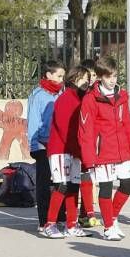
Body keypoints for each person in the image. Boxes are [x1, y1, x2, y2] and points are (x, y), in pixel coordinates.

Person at [78, 57, 130, 241]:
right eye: (108, 76)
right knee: (105, 188)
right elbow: (86, 131)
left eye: (114, 75)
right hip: (102, 151)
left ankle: (112, 218)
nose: (112, 80)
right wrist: (89, 158)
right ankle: (107, 227)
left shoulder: (122, 96)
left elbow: (128, 123)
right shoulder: (90, 99)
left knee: (128, 183)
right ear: (99, 77)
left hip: (122, 149)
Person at [42, 65, 92, 238]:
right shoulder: (65, 99)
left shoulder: (81, 99)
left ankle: (72, 224)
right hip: (61, 150)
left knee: (73, 187)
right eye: (85, 79)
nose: (88, 82)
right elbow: (65, 130)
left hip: (75, 151)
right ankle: (50, 224)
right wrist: (77, 150)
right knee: (61, 185)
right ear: (75, 79)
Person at [27, 60, 66, 233]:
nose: (61, 79)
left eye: (63, 76)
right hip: (42, 144)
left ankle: (60, 217)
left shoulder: (60, 93)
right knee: (44, 184)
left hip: (58, 143)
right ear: (49, 75)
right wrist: (34, 146)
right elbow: (33, 122)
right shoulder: (38, 95)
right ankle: (44, 220)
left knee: (60, 182)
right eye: (59, 76)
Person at [77, 58, 101, 228]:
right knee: (82, 178)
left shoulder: (98, 93)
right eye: (89, 75)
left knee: (90, 177)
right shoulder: (79, 93)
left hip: (94, 140)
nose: (92, 78)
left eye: (94, 74)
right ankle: (85, 214)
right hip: (81, 141)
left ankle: (86, 213)